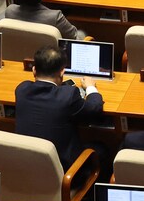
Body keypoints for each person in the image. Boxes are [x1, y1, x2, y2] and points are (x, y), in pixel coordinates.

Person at [14, 46, 107, 174]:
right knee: (101, 149)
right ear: (62, 72)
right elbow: (95, 108)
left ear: (34, 70)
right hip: (64, 174)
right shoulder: (68, 95)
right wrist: (90, 87)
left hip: (27, 169)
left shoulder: (22, 90)